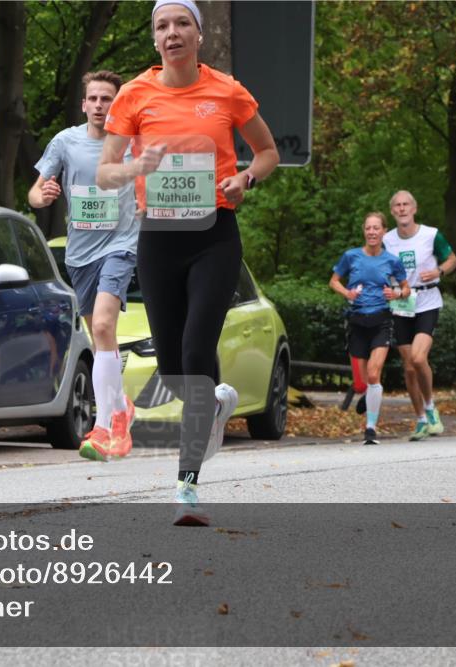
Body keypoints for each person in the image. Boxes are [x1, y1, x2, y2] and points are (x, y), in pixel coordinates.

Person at [96, 0, 278, 525]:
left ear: (198, 34)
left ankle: (187, 486)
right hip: (160, 237)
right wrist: (137, 164)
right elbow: (107, 173)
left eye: (181, 24)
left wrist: (245, 179)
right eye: (161, 26)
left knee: (199, 346)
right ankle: (217, 401)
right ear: (154, 39)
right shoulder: (134, 94)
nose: (171, 33)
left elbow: (266, 152)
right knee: (177, 370)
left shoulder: (226, 90)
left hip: (214, 234)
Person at [28, 70, 139, 462]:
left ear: (116, 103)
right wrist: (43, 195)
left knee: (106, 326)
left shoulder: (130, 142)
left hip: (122, 245)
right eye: (93, 99)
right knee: (98, 337)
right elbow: (35, 193)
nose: (98, 106)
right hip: (80, 253)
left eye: (106, 99)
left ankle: (107, 424)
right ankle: (120, 402)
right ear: (83, 103)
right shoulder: (66, 141)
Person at [383, 190, 456, 441]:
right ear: (393, 211)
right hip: (401, 303)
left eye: (406, 205)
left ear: (414, 209)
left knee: (418, 358)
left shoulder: (431, 235)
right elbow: (380, 269)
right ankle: (420, 420)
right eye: (397, 205)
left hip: (427, 300)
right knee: (408, 367)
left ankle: (430, 408)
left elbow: (452, 259)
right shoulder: (387, 240)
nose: (402, 209)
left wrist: (439, 271)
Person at [330, 213, 410, 444]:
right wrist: (348, 293)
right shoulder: (351, 256)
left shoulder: (392, 260)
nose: (372, 232)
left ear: (384, 231)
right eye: (368, 228)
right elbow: (334, 280)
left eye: (376, 228)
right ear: (364, 231)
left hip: (381, 321)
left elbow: (405, 289)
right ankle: (367, 394)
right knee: (360, 383)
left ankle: (371, 429)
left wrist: (395, 293)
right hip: (356, 321)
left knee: (374, 375)